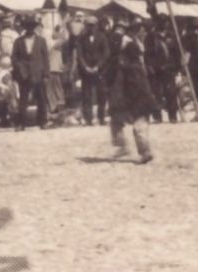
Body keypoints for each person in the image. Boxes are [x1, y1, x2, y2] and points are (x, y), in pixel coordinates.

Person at [109, 26, 156, 163]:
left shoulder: (130, 69)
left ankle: (144, 151)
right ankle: (125, 147)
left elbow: (132, 87)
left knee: (137, 126)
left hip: (136, 101)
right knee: (118, 121)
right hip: (139, 100)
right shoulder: (136, 66)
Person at [10, 16, 51, 131]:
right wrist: (20, 69)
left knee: (41, 98)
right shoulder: (18, 41)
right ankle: (21, 124)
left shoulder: (41, 41)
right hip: (24, 75)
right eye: (28, 27)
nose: (30, 29)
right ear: (25, 28)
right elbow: (14, 58)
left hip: (38, 73)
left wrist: (46, 74)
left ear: (34, 28)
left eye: (32, 27)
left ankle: (43, 122)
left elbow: (46, 58)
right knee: (23, 99)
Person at [76, 16, 111, 126]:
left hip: (99, 71)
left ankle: (101, 118)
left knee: (102, 94)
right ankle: (88, 119)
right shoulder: (81, 39)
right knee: (87, 95)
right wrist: (85, 67)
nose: (91, 28)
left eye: (93, 25)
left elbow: (106, 53)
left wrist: (98, 66)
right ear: (86, 26)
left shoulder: (102, 37)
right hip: (86, 71)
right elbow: (79, 55)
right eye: (89, 26)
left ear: (96, 26)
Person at [146, 19, 182, 124]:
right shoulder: (151, 37)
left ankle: (173, 116)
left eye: (165, 23)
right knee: (156, 93)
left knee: (171, 92)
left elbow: (177, 54)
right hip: (156, 70)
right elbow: (147, 55)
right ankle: (157, 116)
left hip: (169, 68)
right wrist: (150, 66)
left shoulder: (172, 37)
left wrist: (178, 68)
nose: (163, 25)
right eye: (161, 23)